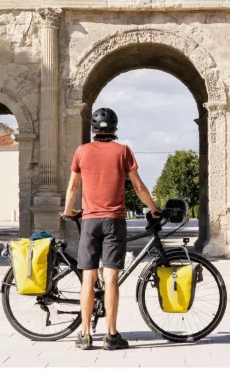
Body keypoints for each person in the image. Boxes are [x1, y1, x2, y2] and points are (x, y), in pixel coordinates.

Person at [62, 107, 161, 351]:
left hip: (89, 221)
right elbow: (137, 186)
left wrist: (67, 211)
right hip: (114, 221)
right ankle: (111, 335)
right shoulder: (123, 151)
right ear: (115, 129)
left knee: (88, 276)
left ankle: (84, 335)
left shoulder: (81, 151)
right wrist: (154, 207)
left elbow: (73, 186)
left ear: (93, 129)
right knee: (111, 277)